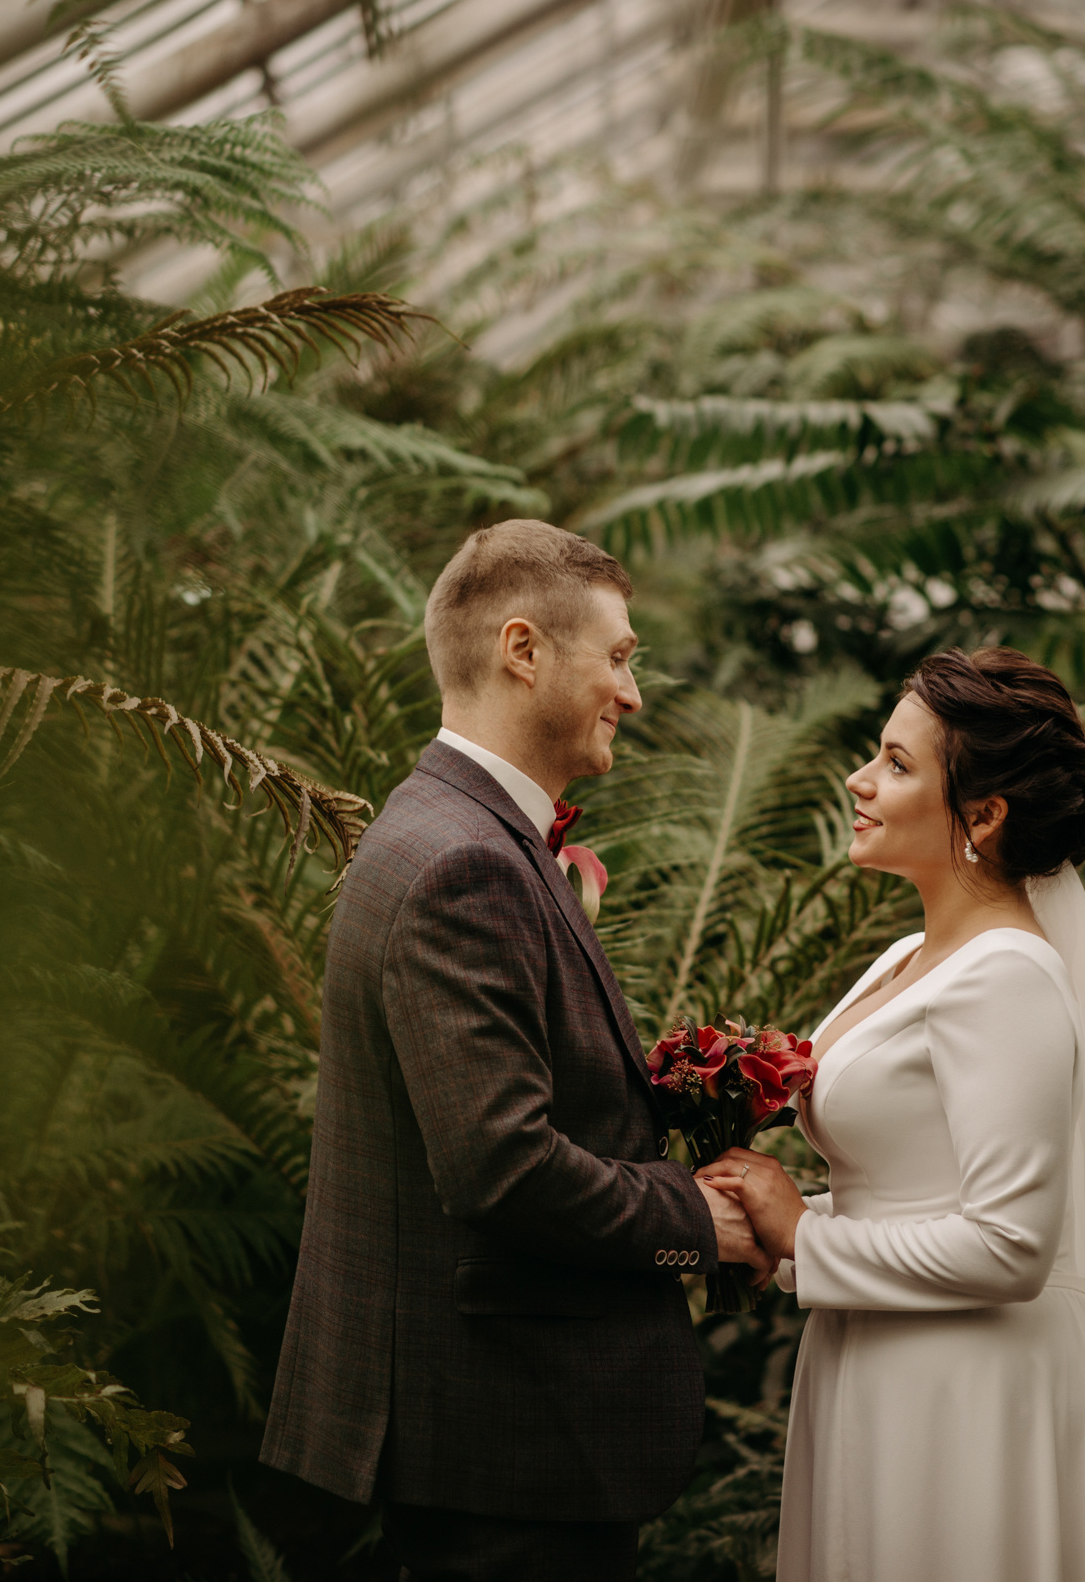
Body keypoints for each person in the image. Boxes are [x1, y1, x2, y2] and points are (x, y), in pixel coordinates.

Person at [261, 519, 767, 1582]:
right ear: (524, 651)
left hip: (482, 1436)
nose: (634, 694)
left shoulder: (443, 828)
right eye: (621, 658)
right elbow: (503, 1164)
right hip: (506, 1446)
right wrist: (703, 1221)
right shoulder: (465, 867)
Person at [698, 648, 1085, 1582]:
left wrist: (804, 1232)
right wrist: (778, 1223)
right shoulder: (902, 957)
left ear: (984, 815)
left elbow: (1010, 1244)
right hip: (876, 1356)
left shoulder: (1009, 978)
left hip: (962, 1390)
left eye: (896, 763)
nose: (860, 779)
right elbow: (917, 1190)